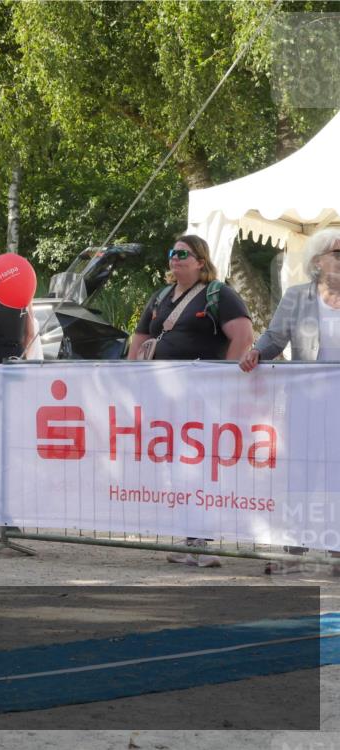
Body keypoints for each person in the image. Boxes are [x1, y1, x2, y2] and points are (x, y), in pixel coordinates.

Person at [128, 235, 254, 568]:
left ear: (201, 261)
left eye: (183, 253)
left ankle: (203, 542)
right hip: (164, 398)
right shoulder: (160, 297)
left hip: (201, 399)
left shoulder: (219, 295)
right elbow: (139, 339)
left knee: (200, 467)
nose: (175, 258)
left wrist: (223, 381)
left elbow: (242, 335)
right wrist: (131, 380)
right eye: (172, 253)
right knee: (177, 468)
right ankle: (191, 540)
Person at [239, 227, 340, 574]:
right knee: (301, 474)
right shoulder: (297, 297)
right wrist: (255, 353)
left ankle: (335, 549)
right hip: (307, 403)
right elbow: (275, 337)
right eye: (338, 254)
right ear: (318, 261)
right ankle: (294, 549)